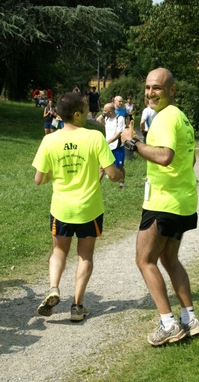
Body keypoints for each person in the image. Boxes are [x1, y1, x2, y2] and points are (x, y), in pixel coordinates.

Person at [121, 67, 199, 346]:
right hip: (183, 202)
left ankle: (168, 324)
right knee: (169, 259)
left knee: (144, 259)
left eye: (156, 87)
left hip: (163, 203)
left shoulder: (165, 118)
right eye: (147, 87)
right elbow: (188, 161)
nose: (150, 93)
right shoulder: (181, 117)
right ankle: (189, 318)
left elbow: (166, 156)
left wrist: (133, 143)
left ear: (171, 90)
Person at [32, 92, 123, 321]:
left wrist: (57, 172)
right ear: (76, 113)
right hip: (89, 209)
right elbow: (112, 174)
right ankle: (76, 306)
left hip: (62, 208)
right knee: (85, 256)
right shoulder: (94, 137)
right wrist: (120, 173)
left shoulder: (49, 140)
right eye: (84, 109)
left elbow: (39, 179)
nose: (87, 113)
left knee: (59, 251)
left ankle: (54, 287)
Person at [96, 103, 126, 189]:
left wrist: (109, 141)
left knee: (119, 167)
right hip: (108, 147)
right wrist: (104, 116)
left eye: (105, 110)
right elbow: (98, 119)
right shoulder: (107, 118)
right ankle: (96, 185)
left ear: (111, 111)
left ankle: (122, 184)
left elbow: (119, 133)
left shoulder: (120, 119)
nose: (103, 112)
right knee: (101, 167)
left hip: (118, 147)